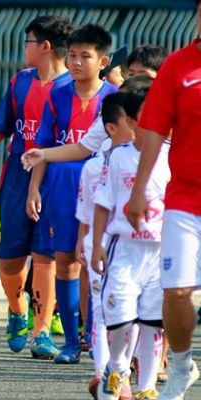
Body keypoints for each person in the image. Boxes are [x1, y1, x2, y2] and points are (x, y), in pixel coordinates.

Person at [0, 15, 74, 359]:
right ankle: (16, 309)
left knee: (46, 255)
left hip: (55, 175)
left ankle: (41, 333)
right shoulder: (20, 82)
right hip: (17, 175)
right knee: (11, 258)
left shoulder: (70, 87)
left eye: (28, 42)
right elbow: (1, 125)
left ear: (45, 47)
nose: (24, 48)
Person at [27, 23, 117, 364]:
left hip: (101, 186)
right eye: (73, 55)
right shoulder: (57, 94)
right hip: (61, 186)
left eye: (86, 56)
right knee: (64, 261)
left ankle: (97, 338)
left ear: (104, 61)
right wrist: (35, 188)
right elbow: (45, 146)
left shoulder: (113, 98)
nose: (77, 62)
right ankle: (70, 342)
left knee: (97, 263)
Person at [127, 1, 201, 398]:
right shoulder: (177, 66)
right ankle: (180, 366)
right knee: (175, 292)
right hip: (185, 201)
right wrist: (139, 190)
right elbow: (154, 130)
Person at [92, 92, 170, 400]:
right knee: (122, 319)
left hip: (161, 251)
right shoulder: (117, 156)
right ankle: (117, 367)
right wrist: (98, 244)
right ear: (132, 122)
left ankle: (147, 387)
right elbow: (102, 203)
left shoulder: (172, 154)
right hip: (124, 249)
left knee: (153, 322)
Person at [21, 44, 167, 169]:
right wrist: (43, 154)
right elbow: (83, 147)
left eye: (143, 74)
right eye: (131, 73)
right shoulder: (116, 110)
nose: (135, 80)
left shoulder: (171, 113)